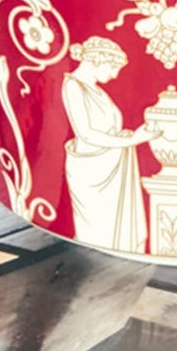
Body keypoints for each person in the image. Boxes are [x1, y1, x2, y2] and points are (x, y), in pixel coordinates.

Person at [60, 37, 147, 255]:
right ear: (98, 60)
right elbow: (87, 134)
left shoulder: (95, 89)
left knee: (112, 223)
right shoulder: (73, 86)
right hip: (91, 169)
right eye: (113, 68)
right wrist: (130, 140)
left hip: (109, 166)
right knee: (96, 225)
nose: (114, 75)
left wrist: (121, 137)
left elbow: (104, 131)